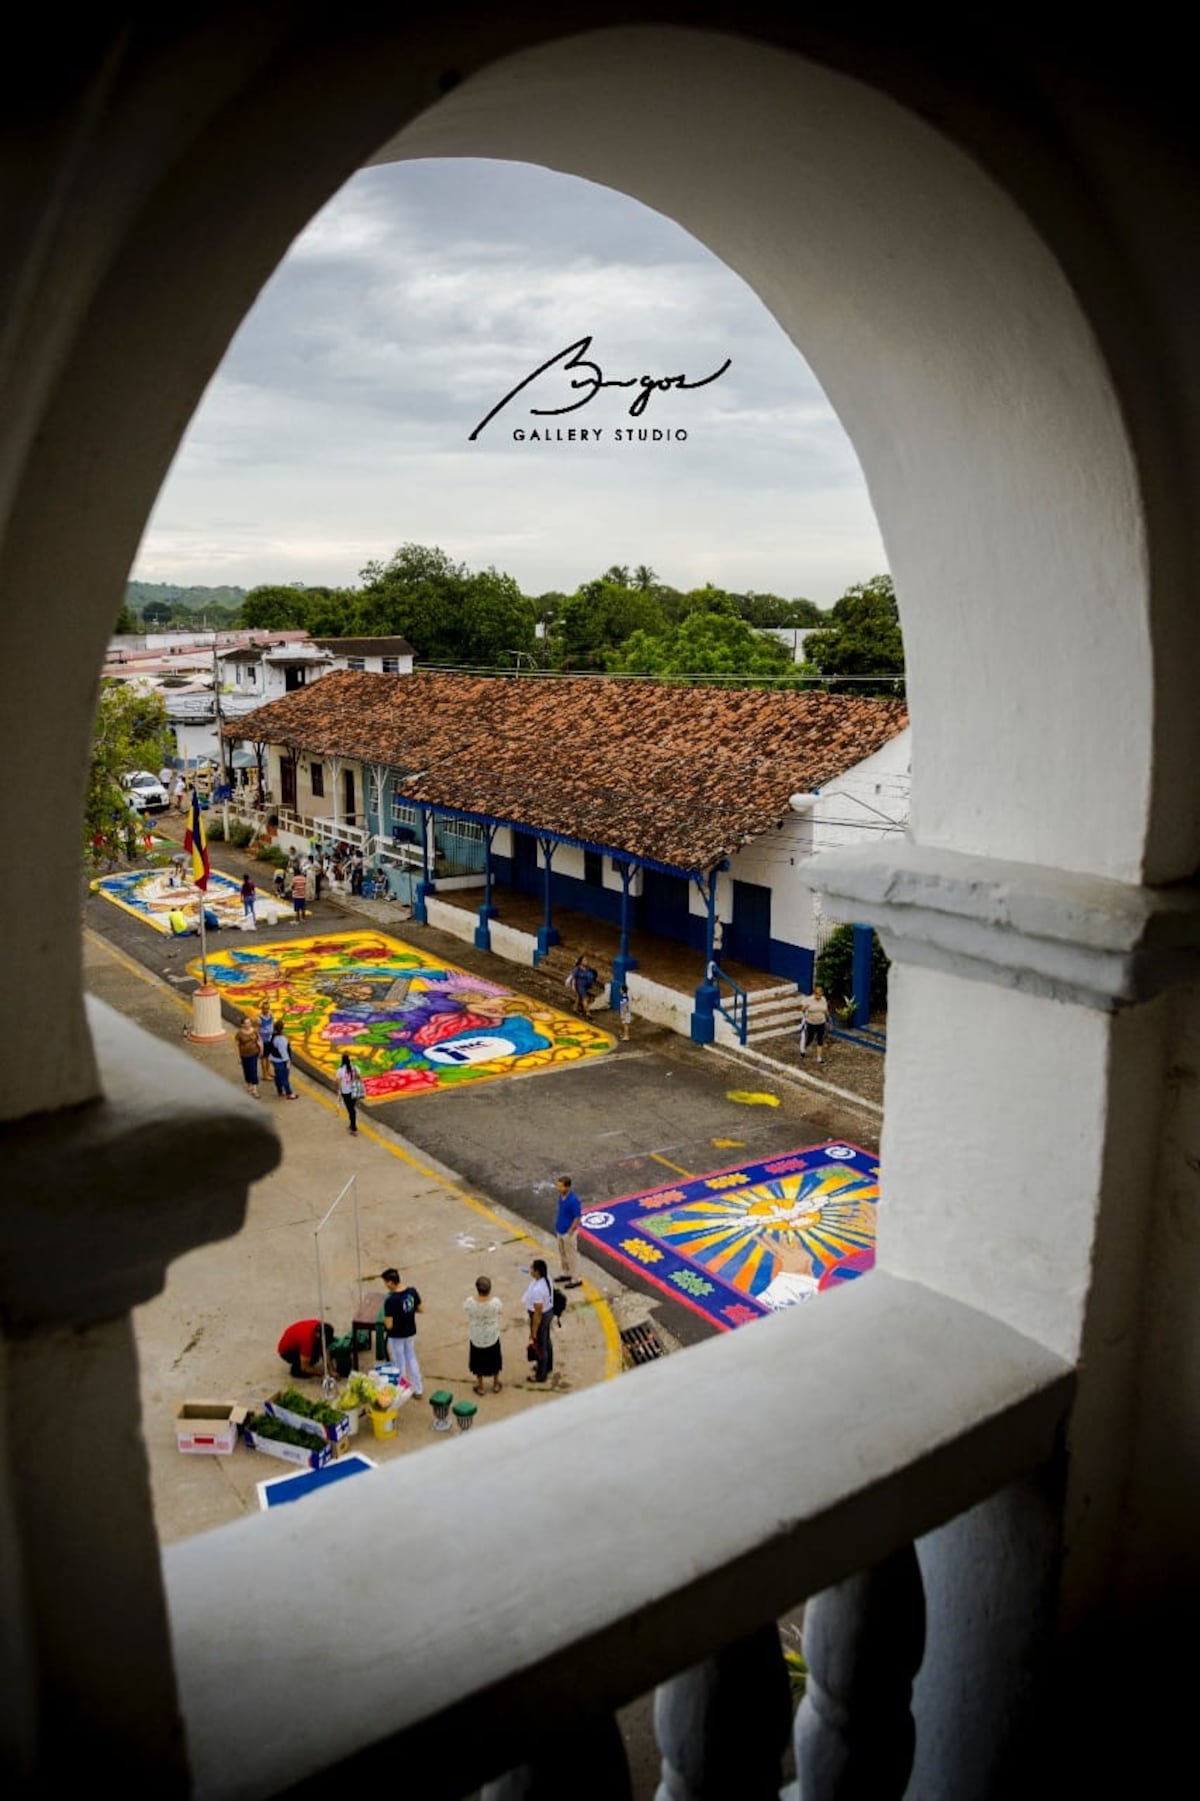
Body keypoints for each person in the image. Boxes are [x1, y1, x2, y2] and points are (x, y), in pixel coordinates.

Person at [381, 1267, 422, 1395]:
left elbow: (389, 1325)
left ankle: (402, 1388)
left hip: (397, 1335)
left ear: (390, 1282)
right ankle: (418, 1388)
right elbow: (420, 1309)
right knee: (411, 1357)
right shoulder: (412, 1292)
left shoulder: (391, 1301)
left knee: (399, 1360)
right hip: (410, 1331)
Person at [463, 1274, 503, 1396]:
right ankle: (496, 1383)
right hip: (492, 1335)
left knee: (478, 1360)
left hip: (477, 1336)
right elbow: (500, 1310)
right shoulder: (495, 1303)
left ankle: (480, 1386)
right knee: (495, 1359)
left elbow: (465, 1309)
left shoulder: (470, 1302)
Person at [523, 1258, 554, 1383]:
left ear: (537, 1272)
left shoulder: (538, 1290)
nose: (530, 1271)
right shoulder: (547, 1279)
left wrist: (533, 1331)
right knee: (546, 1341)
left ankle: (540, 1375)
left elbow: (538, 1313)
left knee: (541, 1346)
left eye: (532, 1269)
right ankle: (547, 1366)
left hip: (541, 1317)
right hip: (548, 1312)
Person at [553, 1176, 583, 1288]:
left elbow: (577, 1217)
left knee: (572, 1256)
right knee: (563, 1253)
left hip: (567, 1232)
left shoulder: (573, 1201)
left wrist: (570, 1231)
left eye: (561, 1186)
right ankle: (566, 1273)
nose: (558, 1188)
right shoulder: (561, 1197)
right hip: (560, 1230)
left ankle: (576, 1278)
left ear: (568, 1187)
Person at [798, 984, 830, 1065]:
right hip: (811, 1023)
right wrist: (805, 1007)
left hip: (821, 1023)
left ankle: (819, 1058)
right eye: (818, 995)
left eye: (820, 995)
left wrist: (828, 1019)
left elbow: (825, 1010)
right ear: (814, 994)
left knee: (820, 1040)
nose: (819, 997)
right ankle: (803, 1048)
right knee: (810, 1038)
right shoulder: (808, 1000)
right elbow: (802, 1010)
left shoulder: (823, 999)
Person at [267, 1022, 298, 1099]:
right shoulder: (281, 1040)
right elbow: (283, 1052)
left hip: (274, 1059)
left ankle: (280, 1091)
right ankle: (289, 1093)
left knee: (278, 1076)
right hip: (281, 1061)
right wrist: (287, 1061)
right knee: (284, 1078)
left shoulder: (272, 1036)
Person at [234, 1014, 261, 1097]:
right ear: (243, 1025)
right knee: (247, 1069)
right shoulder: (239, 1033)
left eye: (249, 1023)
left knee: (253, 1069)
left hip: (254, 1053)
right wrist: (238, 1056)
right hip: (244, 1055)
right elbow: (237, 1044)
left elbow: (259, 1040)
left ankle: (255, 1088)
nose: (248, 1024)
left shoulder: (254, 1031)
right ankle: (249, 1083)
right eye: (246, 1023)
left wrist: (260, 1051)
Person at [336, 1050, 363, 1135]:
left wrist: (339, 1091)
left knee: (350, 1110)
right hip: (354, 1090)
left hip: (346, 1092)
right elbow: (359, 1077)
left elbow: (338, 1082)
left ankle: (354, 1128)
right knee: (352, 1109)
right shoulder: (355, 1068)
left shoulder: (340, 1071)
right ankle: (352, 1125)